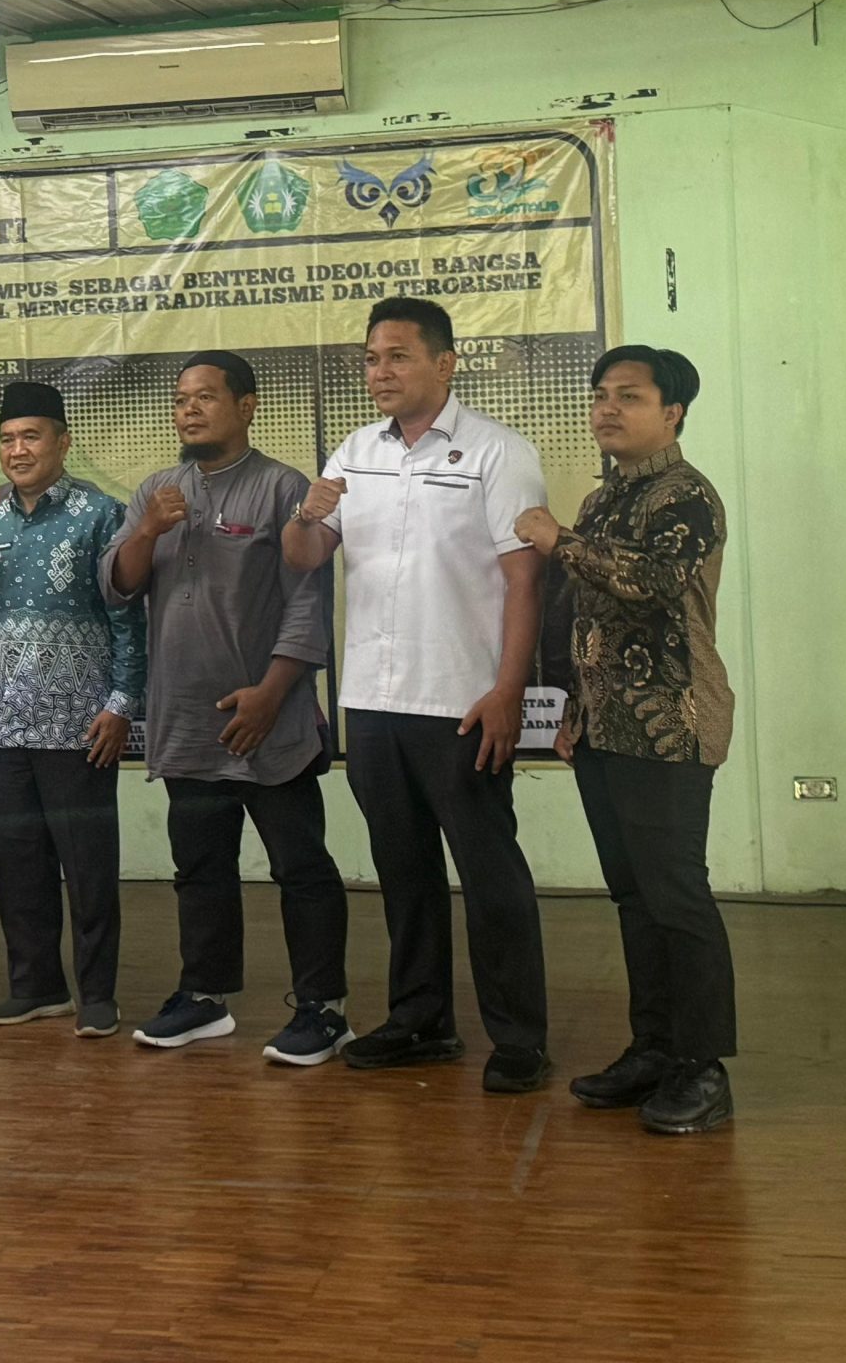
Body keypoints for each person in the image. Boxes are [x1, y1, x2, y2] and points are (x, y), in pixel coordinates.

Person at [285, 297, 553, 1095]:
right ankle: (421, 1021)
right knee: (403, 873)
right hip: (373, 698)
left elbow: (525, 582)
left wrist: (508, 690)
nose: (381, 372)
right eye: (372, 358)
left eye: (398, 356)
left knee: (490, 874)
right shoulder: (355, 450)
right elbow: (304, 556)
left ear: (445, 363)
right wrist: (307, 514)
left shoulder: (498, 451)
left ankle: (520, 1038)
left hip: (462, 700)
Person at [103, 352, 352, 1066]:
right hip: (185, 718)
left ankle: (323, 1009)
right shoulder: (157, 491)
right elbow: (119, 586)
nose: (188, 409)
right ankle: (204, 997)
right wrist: (147, 530)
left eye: (205, 397)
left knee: (300, 867)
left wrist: (272, 695)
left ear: (246, 406)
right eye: (181, 398)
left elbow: (307, 603)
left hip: (268, 721)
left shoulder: (282, 488)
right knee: (200, 867)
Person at [517, 346, 737, 1135]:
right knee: (634, 896)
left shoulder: (688, 495)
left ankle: (702, 1067)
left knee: (676, 895)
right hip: (604, 727)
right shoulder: (604, 497)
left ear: (672, 413)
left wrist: (557, 539)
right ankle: (654, 1049)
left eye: (630, 396)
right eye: (601, 394)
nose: (607, 408)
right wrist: (572, 708)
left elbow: (650, 582)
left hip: (671, 723)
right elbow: (589, 616)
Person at [0, 380, 144, 1038]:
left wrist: (121, 704)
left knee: (88, 867)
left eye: (31, 436)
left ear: (62, 442)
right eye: (7, 439)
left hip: (80, 726)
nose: (18, 450)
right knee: (17, 865)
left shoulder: (101, 515)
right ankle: (36, 987)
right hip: (5, 728)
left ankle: (98, 995)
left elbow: (128, 618)